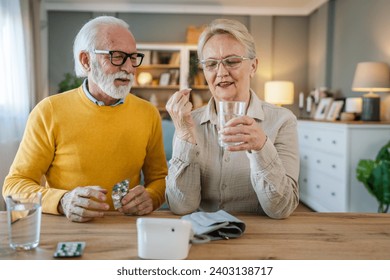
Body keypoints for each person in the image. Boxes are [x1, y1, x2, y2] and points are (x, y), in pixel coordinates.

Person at [3, 16, 167, 222]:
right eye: (117, 56)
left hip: (126, 230)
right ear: (86, 60)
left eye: (133, 57)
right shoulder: (48, 111)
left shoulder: (148, 113)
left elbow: (160, 180)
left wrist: (151, 197)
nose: (129, 68)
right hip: (66, 228)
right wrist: (63, 200)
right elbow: (14, 185)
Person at [165, 18, 299, 219]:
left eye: (232, 61)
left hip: (261, 238)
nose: (221, 72)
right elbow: (181, 206)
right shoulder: (188, 122)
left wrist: (261, 147)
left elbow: (281, 208)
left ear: (253, 66)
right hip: (204, 236)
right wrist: (185, 134)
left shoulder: (283, 120)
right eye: (211, 64)